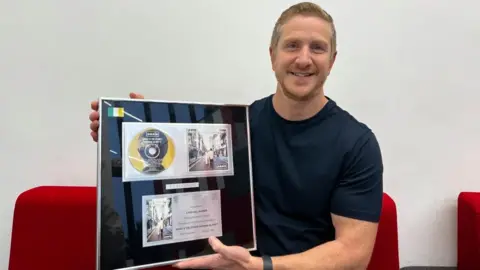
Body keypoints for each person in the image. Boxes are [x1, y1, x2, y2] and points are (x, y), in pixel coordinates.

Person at [89, 2, 383, 270]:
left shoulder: (357, 144)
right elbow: (171, 175)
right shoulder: (234, 127)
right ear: (273, 55)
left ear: (332, 60)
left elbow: (353, 256)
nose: (303, 59)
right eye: (292, 45)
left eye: (317, 48)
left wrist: (261, 267)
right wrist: (135, 132)